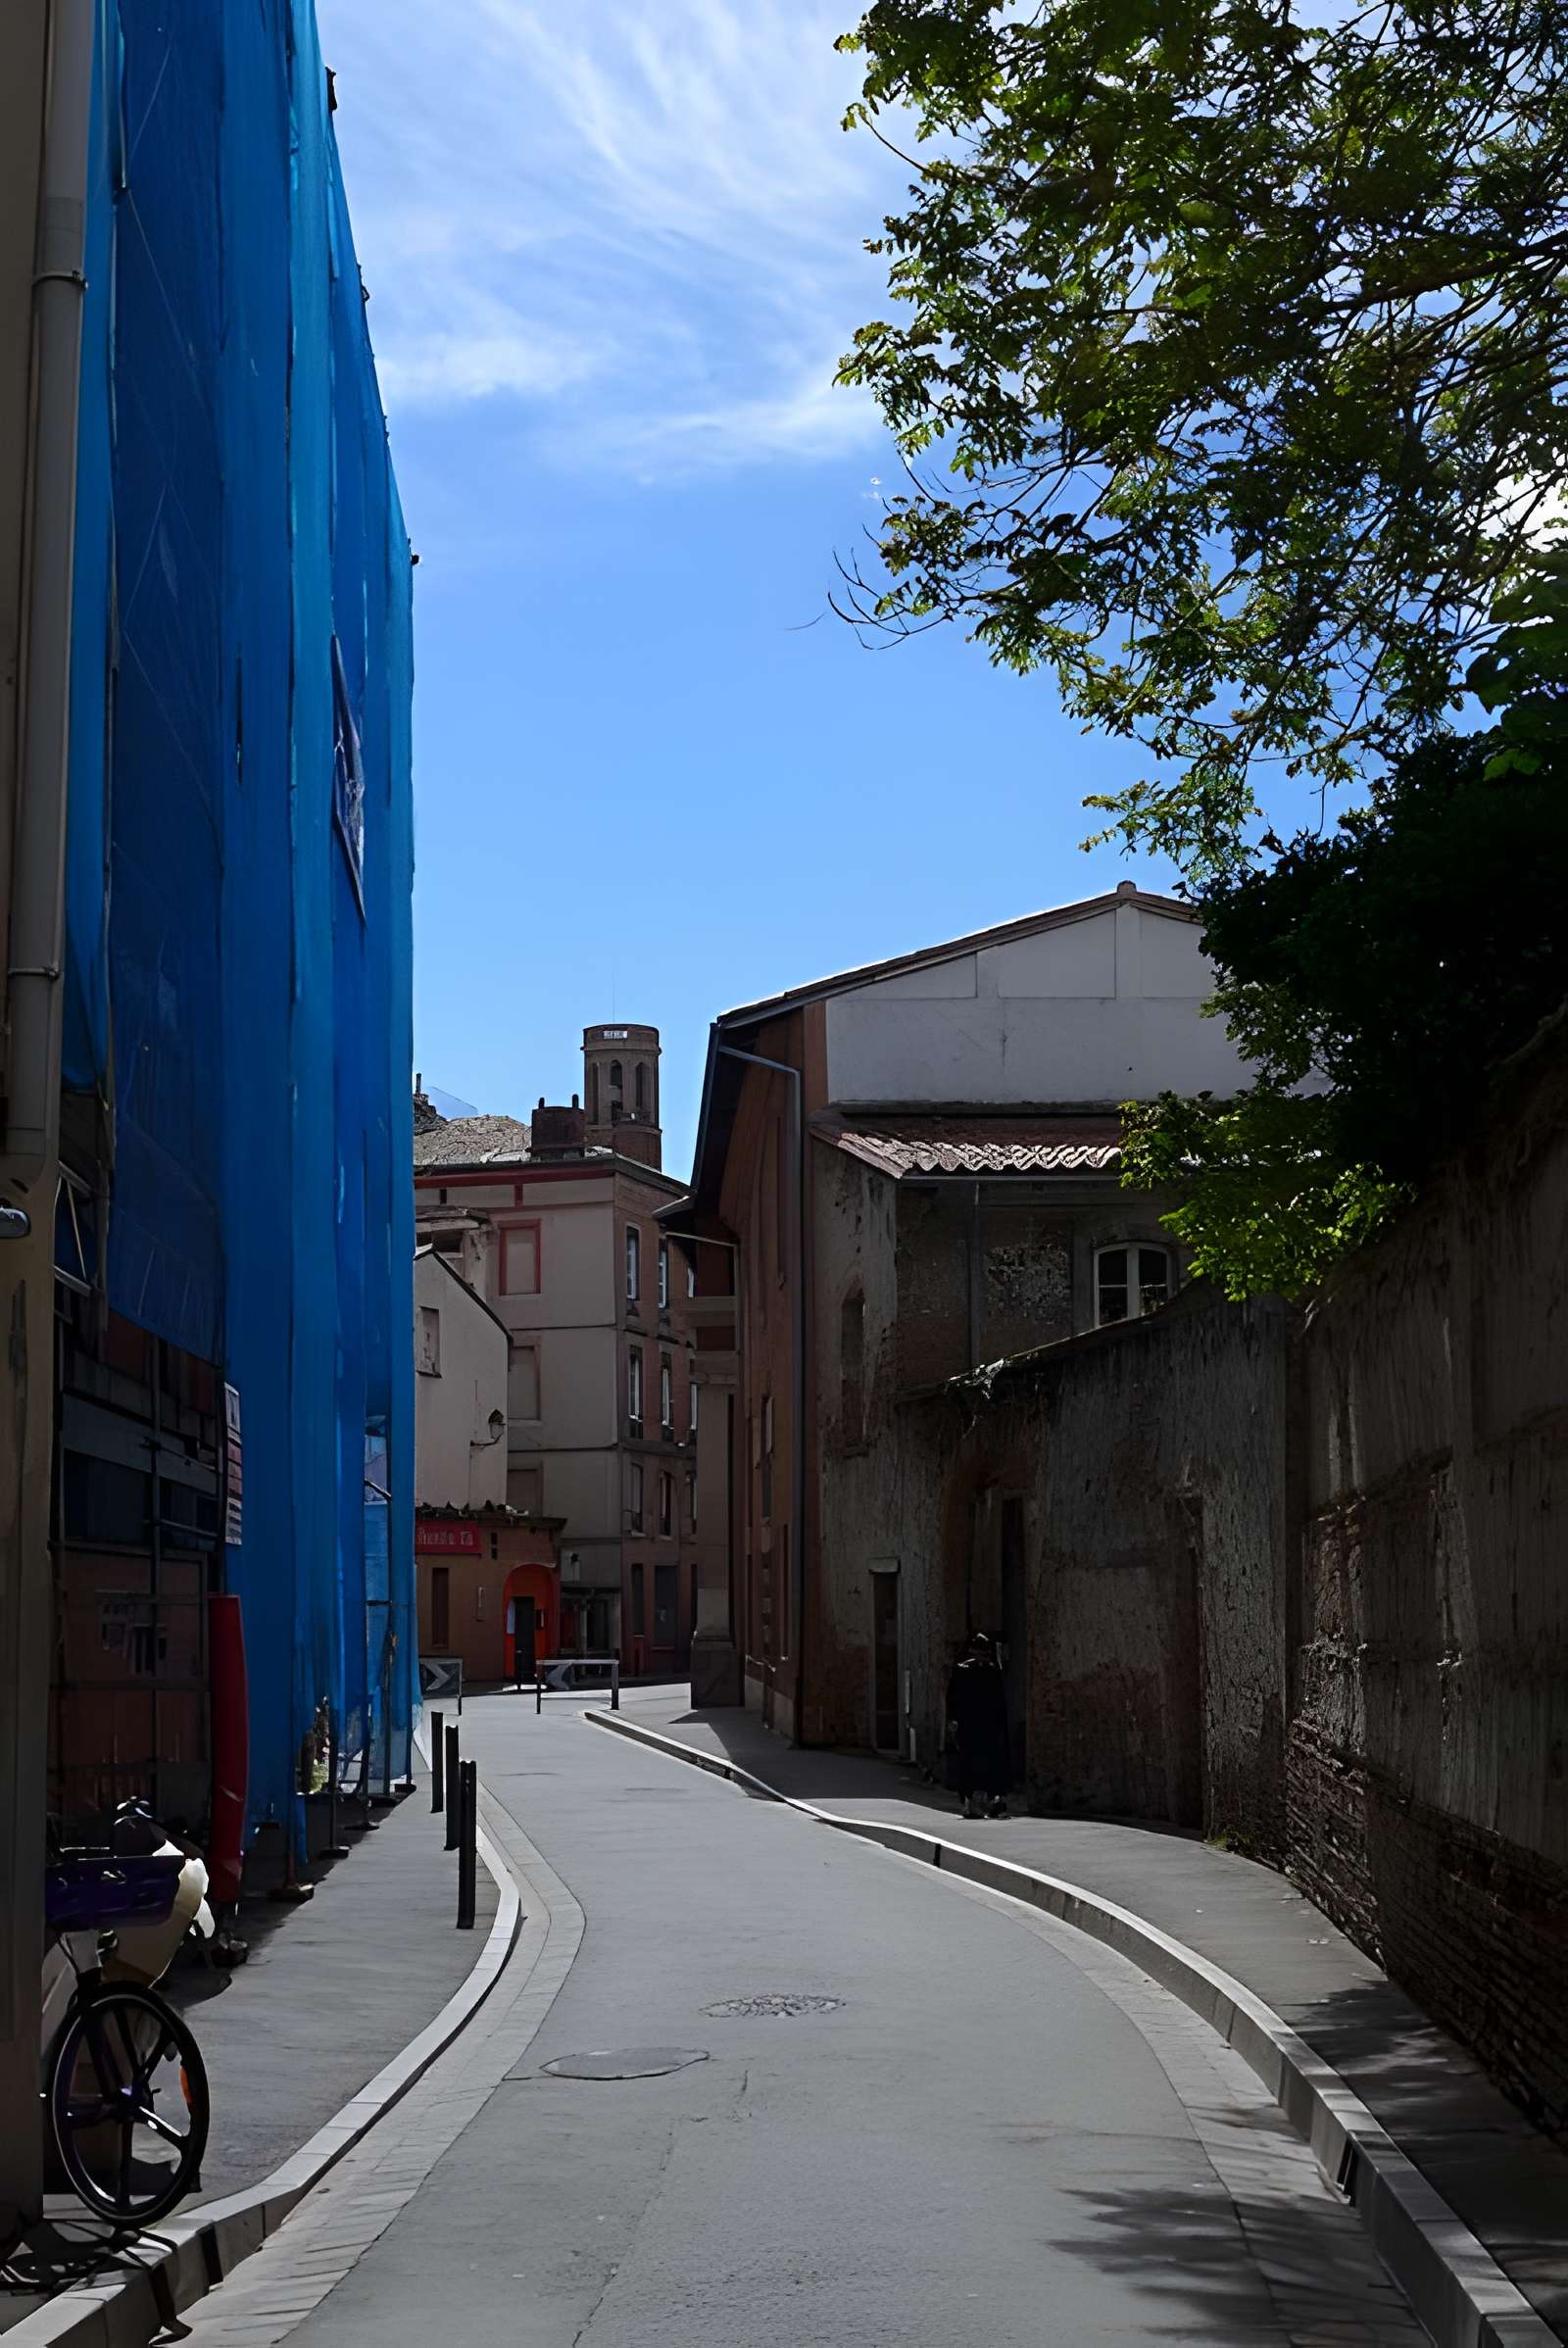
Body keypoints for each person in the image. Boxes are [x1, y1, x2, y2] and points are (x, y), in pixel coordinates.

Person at [946, 1632, 1011, 1820]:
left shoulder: (986, 1671)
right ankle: (975, 1799)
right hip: (975, 1723)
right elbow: (953, 1697)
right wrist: (953, 1719)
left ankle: (981, 1800)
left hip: (979, 1723)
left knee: (981, 1761)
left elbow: (998, 1700)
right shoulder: (971, 1670)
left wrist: (954, 1719)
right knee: (973, 1761)